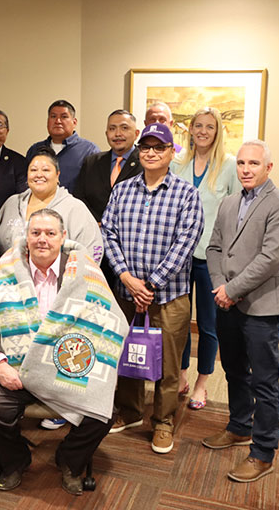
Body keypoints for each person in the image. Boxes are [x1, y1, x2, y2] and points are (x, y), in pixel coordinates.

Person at [0, 210, 127, 495]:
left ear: (63, 237)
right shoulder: (3, 270)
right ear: (26, 237)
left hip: (66, 370)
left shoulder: (85, 272)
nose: (42, 239)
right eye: (36, 233)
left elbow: (106, 321)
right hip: (15, 372)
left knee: (103, 413)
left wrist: (89, 370)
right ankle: (15, 461)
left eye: (50, 233)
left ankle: (69, 461)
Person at [101, 123, 203, 455]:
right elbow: (108, 235)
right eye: (145, 147)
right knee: (126, 356)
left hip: (169, 296)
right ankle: (130, 411)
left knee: (169, 365)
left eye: (159, 147)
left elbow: (185, 244)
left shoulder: (187, 194)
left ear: (172, 152)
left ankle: (162, 421)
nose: (151, 152)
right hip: (126, 292)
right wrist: (128, 278)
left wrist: (151, 284)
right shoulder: (122, 190)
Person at [203, 140, 279, 483]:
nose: (245, 169)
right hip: (226, 302)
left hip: (260, 306)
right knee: (233, 369)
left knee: (264, 379)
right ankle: (240, 426)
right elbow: (214, 247)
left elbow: (270, 259)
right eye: (241, 163)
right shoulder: (229, 202)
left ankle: (263, 452)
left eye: (253, 164)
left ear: (268, 168)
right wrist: (219, 286)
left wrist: (232, 289)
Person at [170, 107, 241, 410]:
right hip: (180, 257)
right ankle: (182, 375)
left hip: (212, 258)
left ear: (217, 131)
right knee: (181, 321)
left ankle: (202, 383)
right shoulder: (177, 165)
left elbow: (239, 213)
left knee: (209, 324)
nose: (202, 131)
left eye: (209, 127)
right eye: (197, 126)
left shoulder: (229, 166)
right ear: (190, 130)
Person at [0, 148, 103, 263]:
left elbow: (94, 250)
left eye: (46, 170)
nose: (39, 175)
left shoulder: (75, 208)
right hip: (10, 277)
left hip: (62, 278)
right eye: (33, 170)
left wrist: (73, 278)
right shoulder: (11, 204)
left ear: (57, 175)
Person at [73, 109, 142, 224]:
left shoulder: (145, 163)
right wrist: (96, 223)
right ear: (106, 134)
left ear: (136, 134)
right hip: (94, 230)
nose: (118, 134)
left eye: (124, 128)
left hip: (131, 231)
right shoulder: (92, 162)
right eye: (112, 129)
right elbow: (80, 198)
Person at [25, 99, 99, 194]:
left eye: (64, 117)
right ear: (48, 121)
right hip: (39, 206)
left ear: (74, 122)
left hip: (74, 207)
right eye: (53, 116)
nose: (58, 121)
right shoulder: (35, 149)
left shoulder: (89, 150)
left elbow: (94, 189)